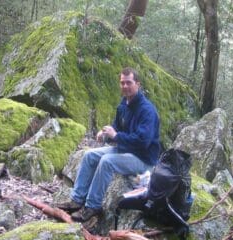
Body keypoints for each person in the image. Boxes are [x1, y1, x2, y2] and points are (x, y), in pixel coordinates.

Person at [56, 67, 160, 222]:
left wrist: (116, 136)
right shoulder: (124, 104)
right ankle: (77, 200)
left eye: (128, 83)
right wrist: (105, 132)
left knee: (107, 162)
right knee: (89, 155)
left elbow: (143, 142)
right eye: (122, 83)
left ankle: (93, 206)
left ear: (137, 84)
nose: (125, 86)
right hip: (125, 150)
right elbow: (116, 127)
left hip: (144, 160)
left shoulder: (147, 111)